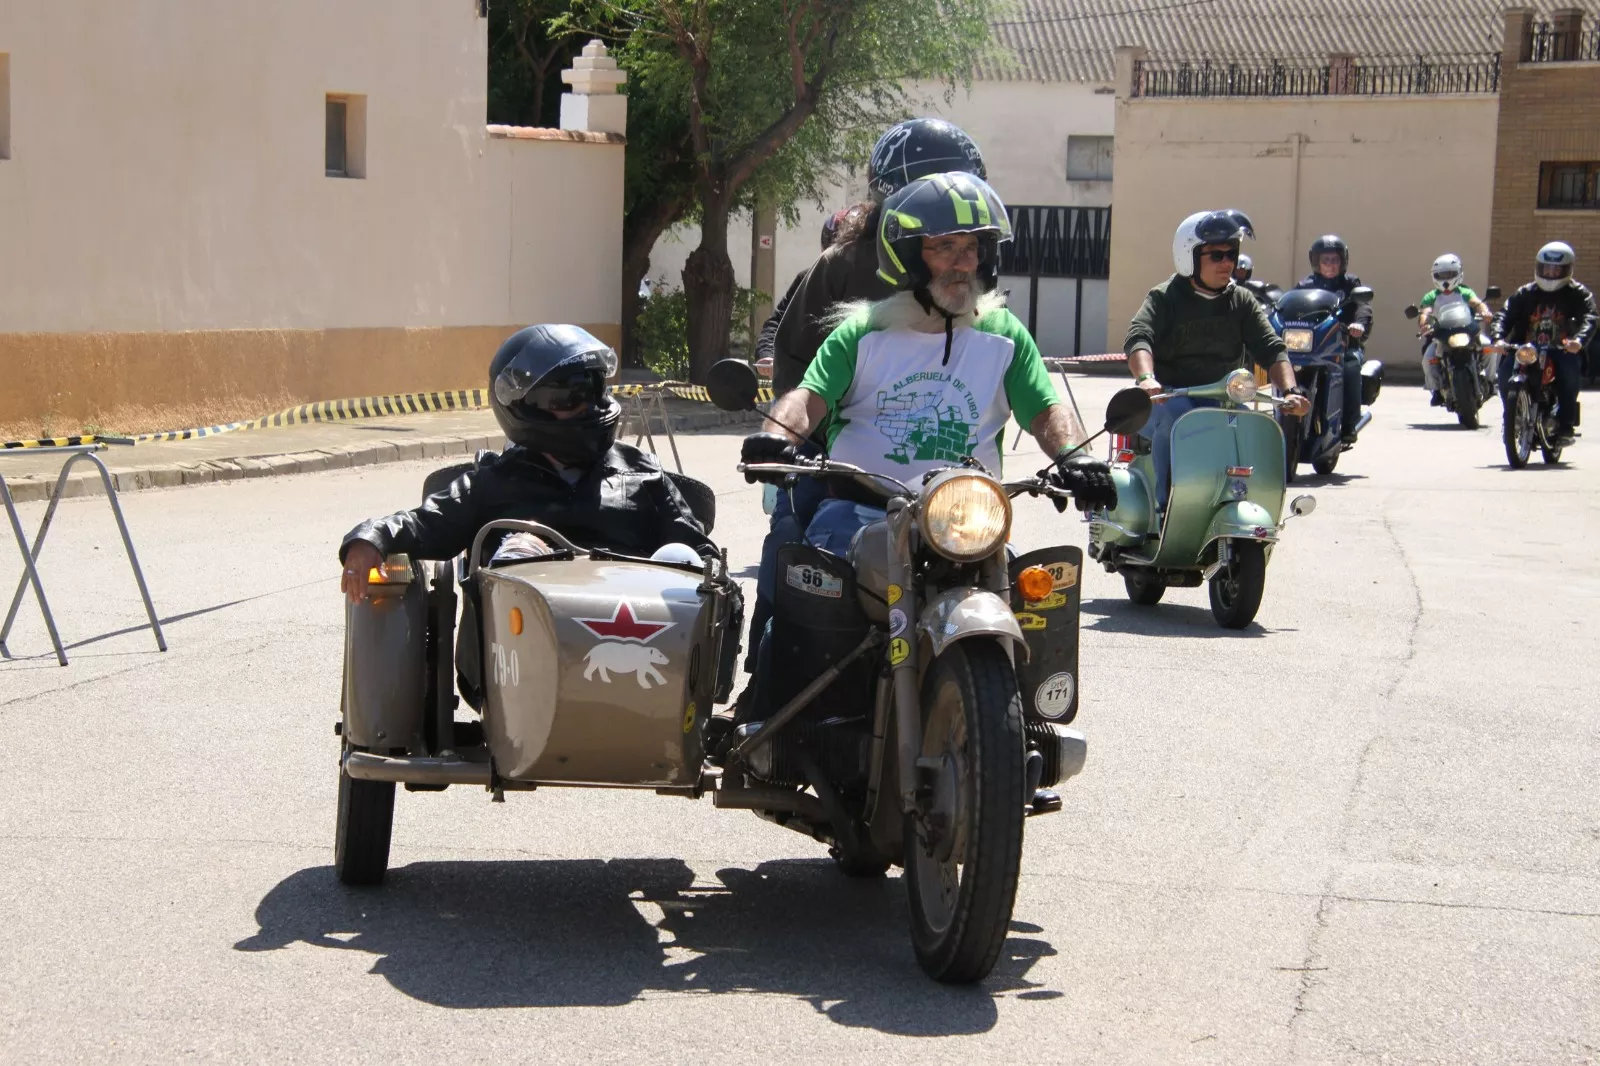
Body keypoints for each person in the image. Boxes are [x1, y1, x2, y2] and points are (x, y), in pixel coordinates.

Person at [739, 171, 1115, 701]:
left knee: (1032, 604)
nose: (963, 262)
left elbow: (1046, 411)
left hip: (965, 522)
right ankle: (772, 718)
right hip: (861, 513)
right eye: (945, 248)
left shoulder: (1005, 335)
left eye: (972, 248)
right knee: (808, 613)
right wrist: (776, 435)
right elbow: (808, 397)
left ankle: (1029, 723)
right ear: (908, 257)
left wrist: (1079, 458)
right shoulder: (862, 332)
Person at [744, 117, 989, 675]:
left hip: (949, 471)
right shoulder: (842, 265)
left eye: (959, 189)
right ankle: (766, 692)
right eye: (930, 188)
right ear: (892, 193)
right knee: (793, 547)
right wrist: (799, 437)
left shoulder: (974, 261)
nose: (947, 206)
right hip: (840, 459)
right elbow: (795, 363)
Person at [340, 324, 722, 593]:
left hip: (638, 643)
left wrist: (710, 576)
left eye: (591, 389)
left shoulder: (643, 473)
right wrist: (370, 538)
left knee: (681, 557)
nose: (585, 406)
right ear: (524, 407)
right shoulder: (493, 482)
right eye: (565, 397)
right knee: (519, 548)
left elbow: (702, 556)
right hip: (524, 653)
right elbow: (426, 524)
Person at [1124, 210, 1312, 508]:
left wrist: (1291, 391)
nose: (1227, 263)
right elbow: (1139, 337)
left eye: (1231, 254)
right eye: (1216, 255)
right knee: (1177, 420)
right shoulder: (1165, 297)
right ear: (1189, 255)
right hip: (1167, 399)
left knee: (1251, 428)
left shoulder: (1241, 301)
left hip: (1224, 399)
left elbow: (1271, 348)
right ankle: (1167, 508)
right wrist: (1147, 379)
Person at [1493, 241, 1597, 447]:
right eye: (1547, 268)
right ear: (1538, 267)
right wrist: (1498, 338)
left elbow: (1590, 317)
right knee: (1505, 373)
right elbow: (1504, 314)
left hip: (1562, 349)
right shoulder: (1525, 292)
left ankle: (1565, 424)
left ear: (1567, 269)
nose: (1550, 273)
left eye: (1556, 269)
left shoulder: (1578, 293)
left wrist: (1579, 341)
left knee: (1569, 373)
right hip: (1526, 349)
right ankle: (1512, 417)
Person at [1293, 235, 1372, 443]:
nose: (1330, 265)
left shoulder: (1350, 284)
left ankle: (1349, 424)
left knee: (1351, 365)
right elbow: (1291, 307)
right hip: (1312, 345)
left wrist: (1359, 325)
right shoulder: (1305, 285)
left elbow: (1363, 307)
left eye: (1335, 260)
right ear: (1316, 262)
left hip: (1342, 344)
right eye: (1325, 260)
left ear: (1343, 261)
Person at [1414, 253, 1495, 405]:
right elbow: (1425, 311)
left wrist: (1485, 312)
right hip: (1442, 334)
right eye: (1441, 275)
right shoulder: (1431, 296)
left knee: (1489, 347)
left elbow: (1477, 303)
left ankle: (1491, 381)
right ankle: (1436, 389)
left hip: (1467, 330)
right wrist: (1424, 323)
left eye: (1449, 274)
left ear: (1458, 273)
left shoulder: (1465, 291)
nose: (1445, 280)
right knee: (1428, 358)